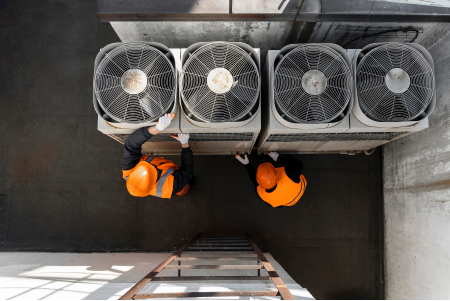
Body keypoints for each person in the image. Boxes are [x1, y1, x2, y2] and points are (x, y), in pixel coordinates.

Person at [122, 113, 194, 198]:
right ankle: (185, 190)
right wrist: (185, 144)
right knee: (183, 186)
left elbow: (131, 144)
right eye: (152, 168)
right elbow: (187, 170)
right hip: (176, 184)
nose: (151, 165)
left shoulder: (129, 170)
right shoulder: (168, 188)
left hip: (168, 171)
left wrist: (157, 128)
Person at [235, 152, 306, 207]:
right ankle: (281, 155)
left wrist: (247, 164)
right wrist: (278, 158)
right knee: (286, 161)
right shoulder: (289, 176)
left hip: (288, 202)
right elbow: (298, 164)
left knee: (254, 186)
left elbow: (254, 178)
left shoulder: (262, 194)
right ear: (275, 174)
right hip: (297, 190)